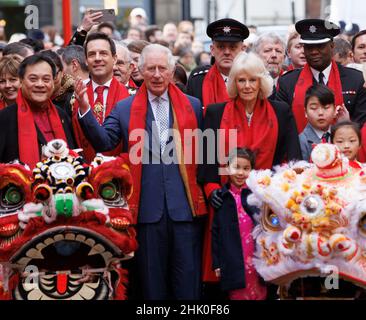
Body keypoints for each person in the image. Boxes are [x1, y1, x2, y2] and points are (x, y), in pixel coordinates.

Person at [76, 44, 207, 299]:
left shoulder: (192, 105)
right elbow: (104, 142)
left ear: (171, 71)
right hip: (146, 213)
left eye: (162, 68)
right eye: (151, 69)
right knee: (151, 288)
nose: (157, 75)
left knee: (187, 287)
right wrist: (84, 108)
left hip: (185, 211)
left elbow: (203, 155)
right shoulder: (125, 108)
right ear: (140, 71)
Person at [199, 51, 301, 289]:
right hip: (226, 204)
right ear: (234, 83)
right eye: (241, 80)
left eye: (252, 80)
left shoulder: (281, 111)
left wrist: (277, 192)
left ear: (262, 82)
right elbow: (205, 160)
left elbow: (292, 160)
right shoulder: (215, 113)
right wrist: (213, 189)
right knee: (229, 274)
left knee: (266, 274)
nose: (246, 86)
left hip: (267, 205)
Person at [277, 19, 366, 134]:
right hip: (301, 149)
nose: (314, 52)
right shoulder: (288, 82)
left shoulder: (356, 79)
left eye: (320, 46)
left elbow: (362, 125)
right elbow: (283, 126)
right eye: (309, 47)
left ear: (332, 46)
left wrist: (347, 125)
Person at [0, 54, 75, 167]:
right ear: (21, 82)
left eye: (46, 79)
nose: (40, 84)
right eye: (33, 79)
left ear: (53, 83)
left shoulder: (62, 115)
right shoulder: (5, 118)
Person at [212, 147, 267, 300]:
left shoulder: (256, 197)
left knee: (259, 291)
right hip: (233, 259)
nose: (241, 173)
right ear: (227, 168)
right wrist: (216, 263)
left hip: (256, 257)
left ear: (252, 170)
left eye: (246, 168)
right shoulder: (222, 198)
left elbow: (268, 226)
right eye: (236, 167)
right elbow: (216, 232)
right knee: (237, 293)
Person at [72, 32, 129, 163]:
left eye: (103, 53)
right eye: (92, 54)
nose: (97, 58)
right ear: (86, 61)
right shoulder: (75, 95)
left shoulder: (131, 96)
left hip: (121, 171)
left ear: (114, 59)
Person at [187, 18, 249, 110]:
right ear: (212, 50)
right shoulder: (198, 79)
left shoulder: (252, 79)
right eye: (221, 47)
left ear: (243, 50)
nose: (227, 52)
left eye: (233, 47)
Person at [299, 84, 346, 161]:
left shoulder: (340, 135)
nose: (320, 113)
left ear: (334, 110)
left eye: (326, 107)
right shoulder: (302, 141)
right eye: (314, 108)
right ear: (305, 112)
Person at [40, 50, 74, 117]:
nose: (49, 81)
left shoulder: (73, 100)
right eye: (43, 77)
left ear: (62, 73)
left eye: (54, 75)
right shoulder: (32, 99)